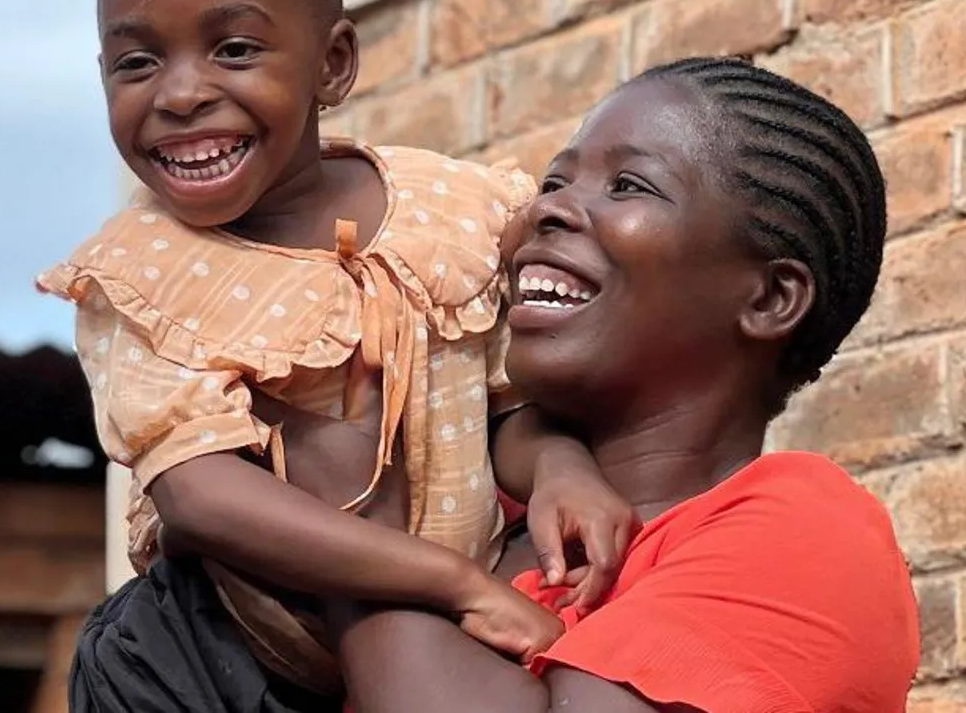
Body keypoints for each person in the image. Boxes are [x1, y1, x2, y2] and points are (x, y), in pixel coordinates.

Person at [39, 0, 637, 712]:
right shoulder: (145, 274)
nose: (179, 93)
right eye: (137, 62)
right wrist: (450, 584)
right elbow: (202, 498)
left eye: (234, 49)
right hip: (210, 660)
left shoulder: (452, 215)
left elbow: (498, 407)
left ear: (333, 62)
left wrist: (564, 472)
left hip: (417, 651)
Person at [330, 58, 922, 712]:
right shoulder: (474, 502)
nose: (549, 207)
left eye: (628, 186)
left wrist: (356, 534)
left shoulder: (809, 540)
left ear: (770, 298)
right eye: (555, 181)